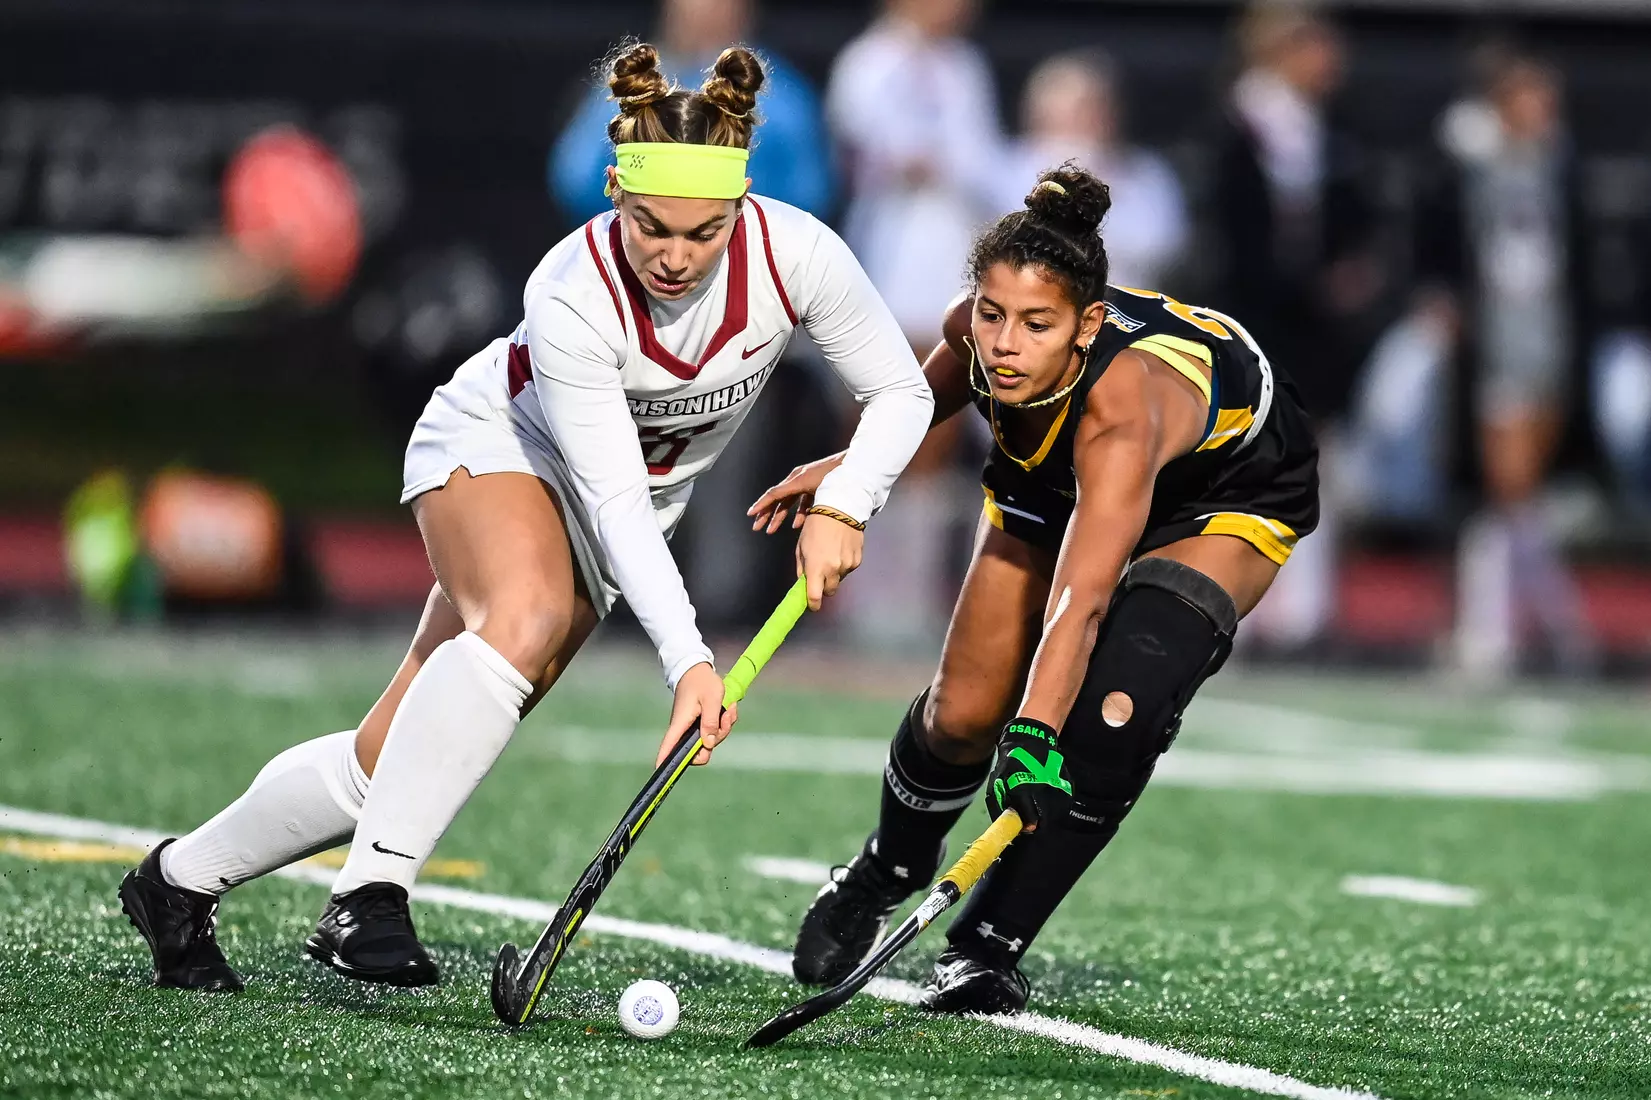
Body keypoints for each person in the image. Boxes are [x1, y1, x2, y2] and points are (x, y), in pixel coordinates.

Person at [116, 43, 933, 993]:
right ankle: (367, 898)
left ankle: (177, 881)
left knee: (394, 757)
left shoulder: (799, 254)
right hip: (499, 444)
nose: (675, 256)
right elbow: (613, 495)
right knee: (526, 616)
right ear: (615, 195)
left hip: (621, 514)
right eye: (651, 227)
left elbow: (901, 393)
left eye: (704, 232)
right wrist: (689, 661)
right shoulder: (571, 291)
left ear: (741, 206)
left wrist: (845, 502)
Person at [749, 164, 1318, 1013]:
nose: (1005, 345)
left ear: (1086, 325)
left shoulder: (1122, 409)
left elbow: (1080, 602)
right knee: (961, 717)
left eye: (1036, 324)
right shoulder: (977, 337)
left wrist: (1034, 736)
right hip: (1056, 481)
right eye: (992, 315)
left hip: (1220, 494)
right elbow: (919, 406)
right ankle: (884, 870)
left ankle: (985, 946)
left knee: (1116, 711)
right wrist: (846, 469)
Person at [1415, 53, 1598, 676]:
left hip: (1548, 337)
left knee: (1520, 496)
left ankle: (1509, 627)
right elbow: (1442, 240)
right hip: (1495, 343)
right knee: (1507, 487)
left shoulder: (1559, 169)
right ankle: (1546, 625)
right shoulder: (1472, 166)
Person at [551, 0, 833, 223]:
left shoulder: (784, 99)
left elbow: (811, 194)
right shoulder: (631, 83)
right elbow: (576, 179)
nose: (704, 12)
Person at [996, 50, 1188, 291]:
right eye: (1078, 109)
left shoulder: (1147, 171)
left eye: (1100, 106)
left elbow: (1163, 244)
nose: (1093, 118)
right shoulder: (1009, 167)